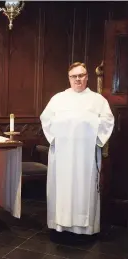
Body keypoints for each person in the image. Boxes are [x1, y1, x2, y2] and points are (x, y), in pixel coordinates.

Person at [40, 62, 114, 242]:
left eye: (81, 75)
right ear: (69, 78)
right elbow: (46, 119)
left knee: (85, 188)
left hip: (85, 156)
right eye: (74, 76)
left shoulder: (98, 100)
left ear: (87, 77)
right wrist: (60, 135)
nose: (78, 79)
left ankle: (85, 229)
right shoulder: (58, 99)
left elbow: (107, 121)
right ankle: (60, 225)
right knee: (62, 188)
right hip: (63, 156)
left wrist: (90, 130)